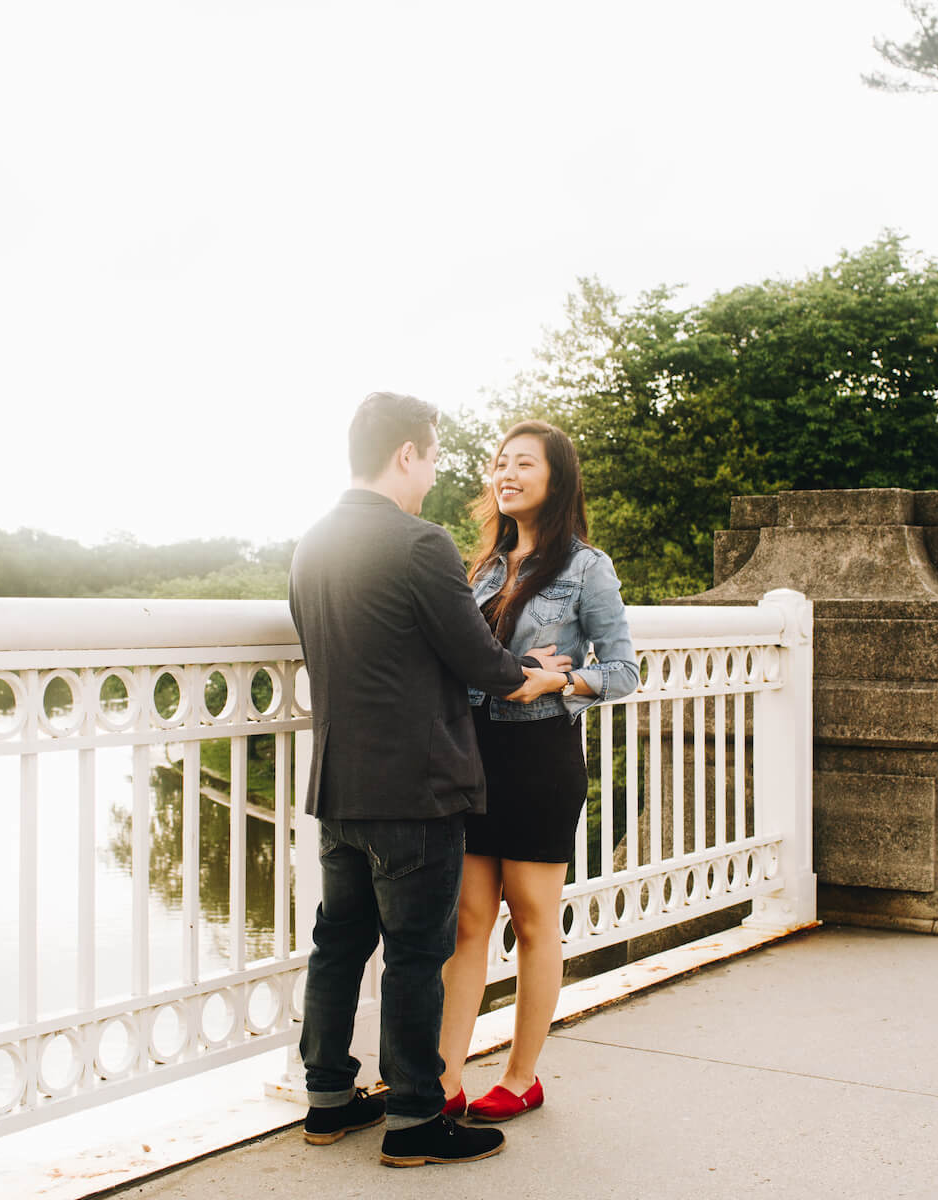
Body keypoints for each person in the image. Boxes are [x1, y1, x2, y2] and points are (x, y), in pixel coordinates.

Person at [287, 392, 574, 1168]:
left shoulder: (311, 544)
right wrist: (537, 674)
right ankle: (415, 1118)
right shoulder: (421, 544)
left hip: (338, 786)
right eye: (435, 456)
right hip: (416, 790)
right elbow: (482, 665)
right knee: (417, 954)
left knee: (338, 945)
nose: (437, 472)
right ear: (408, 453)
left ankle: (326, 1099)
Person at [437, 420, 638, 1122]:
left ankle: (523, 1076)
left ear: (556, 479)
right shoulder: (482, 569)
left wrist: (556, 683)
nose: (506, 473)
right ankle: (444, 1076)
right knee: (467, 921)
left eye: (524, 463)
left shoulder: (587, 568)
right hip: (478, 754)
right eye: (500, 463)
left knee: (531, 921)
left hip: (541, 757)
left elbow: (623, 672)